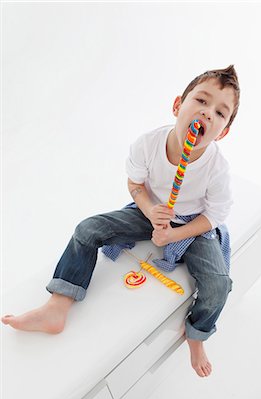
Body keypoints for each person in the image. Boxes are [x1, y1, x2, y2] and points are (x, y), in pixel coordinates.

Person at [2, 65, 240, 378]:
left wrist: (178, 233)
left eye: (220, 112)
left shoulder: (216, 169)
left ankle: (197, 336)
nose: (208, 113)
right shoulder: (149, 144)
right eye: (201, 101)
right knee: (87, 230)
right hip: (151, 210)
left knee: (218, 284)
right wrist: (149, 208)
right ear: (178, 105)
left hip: (194, 226)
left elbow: (215, 214)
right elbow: (135, 184)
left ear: (222, 132)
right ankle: (58, 306)